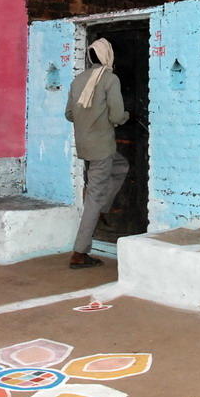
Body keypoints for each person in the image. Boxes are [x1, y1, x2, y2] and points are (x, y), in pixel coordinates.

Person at [65, 38, 129, 269]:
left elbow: (69, 114)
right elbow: (116, 115)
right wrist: (126, 117)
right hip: (102, 147)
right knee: (94, 194)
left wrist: (87, 120)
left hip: (86, 146)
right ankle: (80, 252)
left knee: (121, 166)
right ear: (107, 56)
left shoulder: (78, 80)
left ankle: (101, 206)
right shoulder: (110, 79)